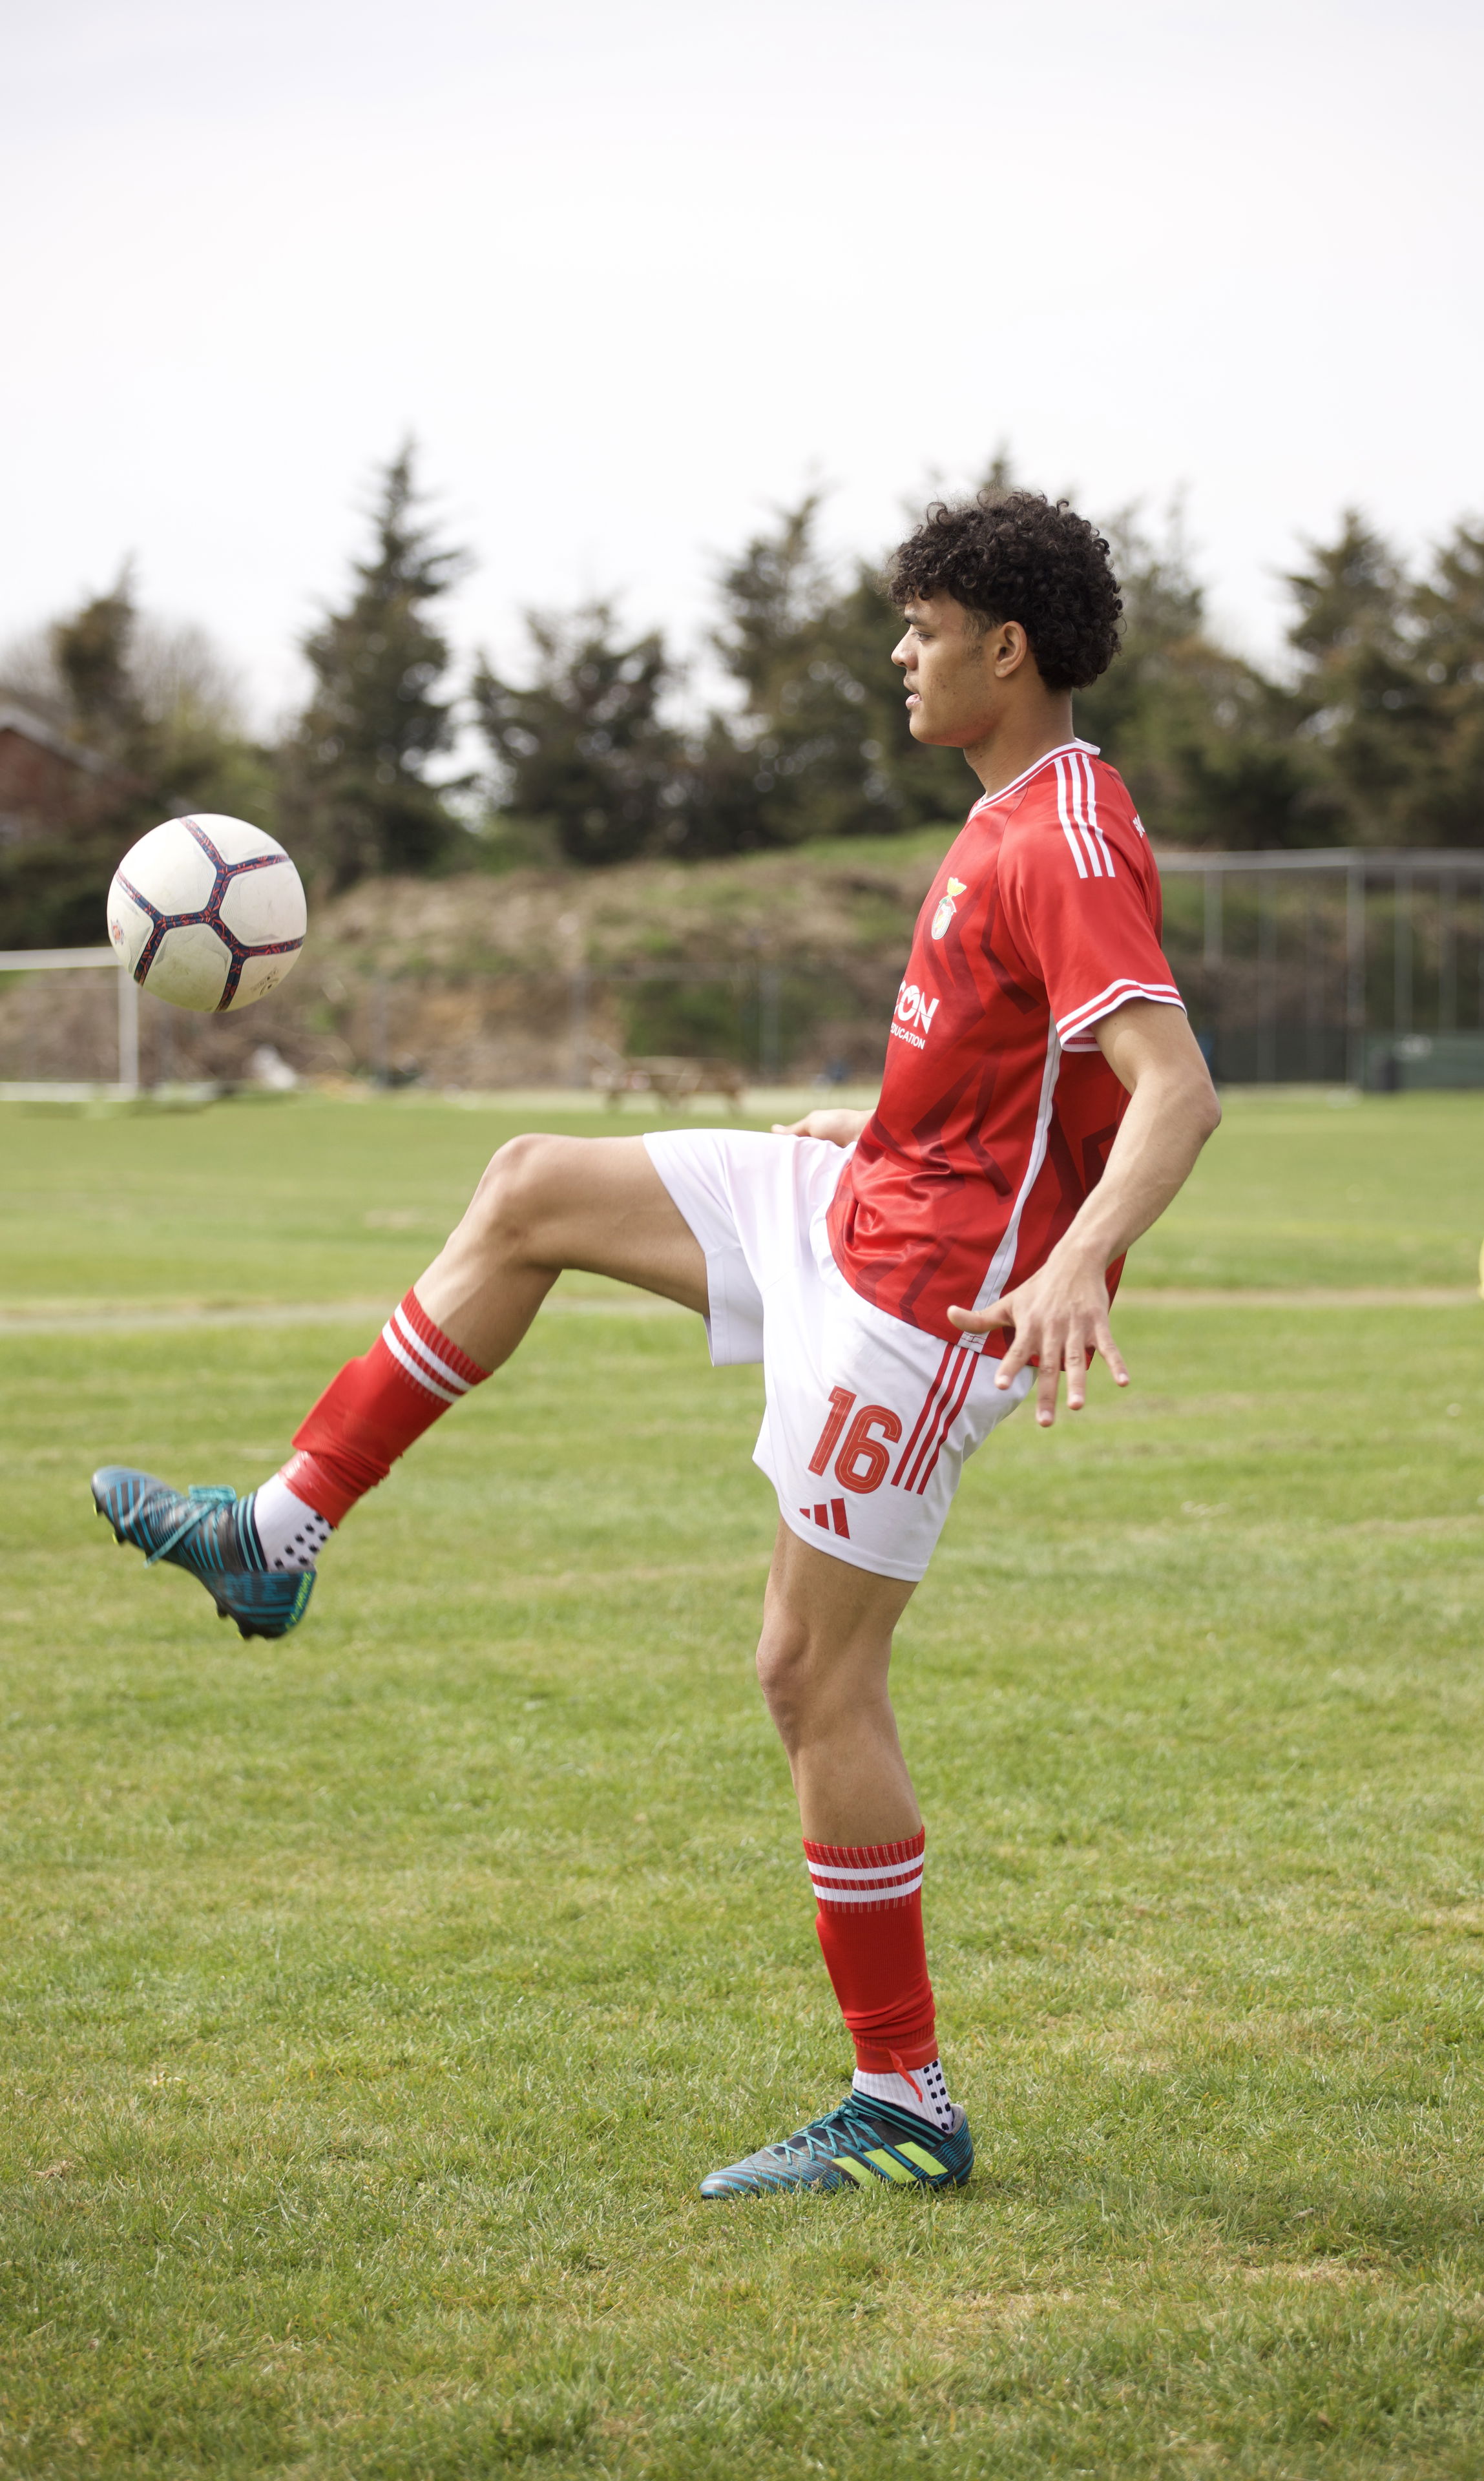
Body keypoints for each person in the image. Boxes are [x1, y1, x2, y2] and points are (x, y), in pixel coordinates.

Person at [92, 491, 1220, 2200]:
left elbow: (1172, 1091)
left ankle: (904, 2104)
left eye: (924, 630)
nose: (899, 655)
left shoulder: (1061, 834)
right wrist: (887, 1128)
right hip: (859, 1208)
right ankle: (277, 1534)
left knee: (809, 1674)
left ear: (1008, 649)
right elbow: (1014, 1066)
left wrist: (1073, 1263)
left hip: (928, 1310)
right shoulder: (1010, 815)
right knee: (530, 1187)